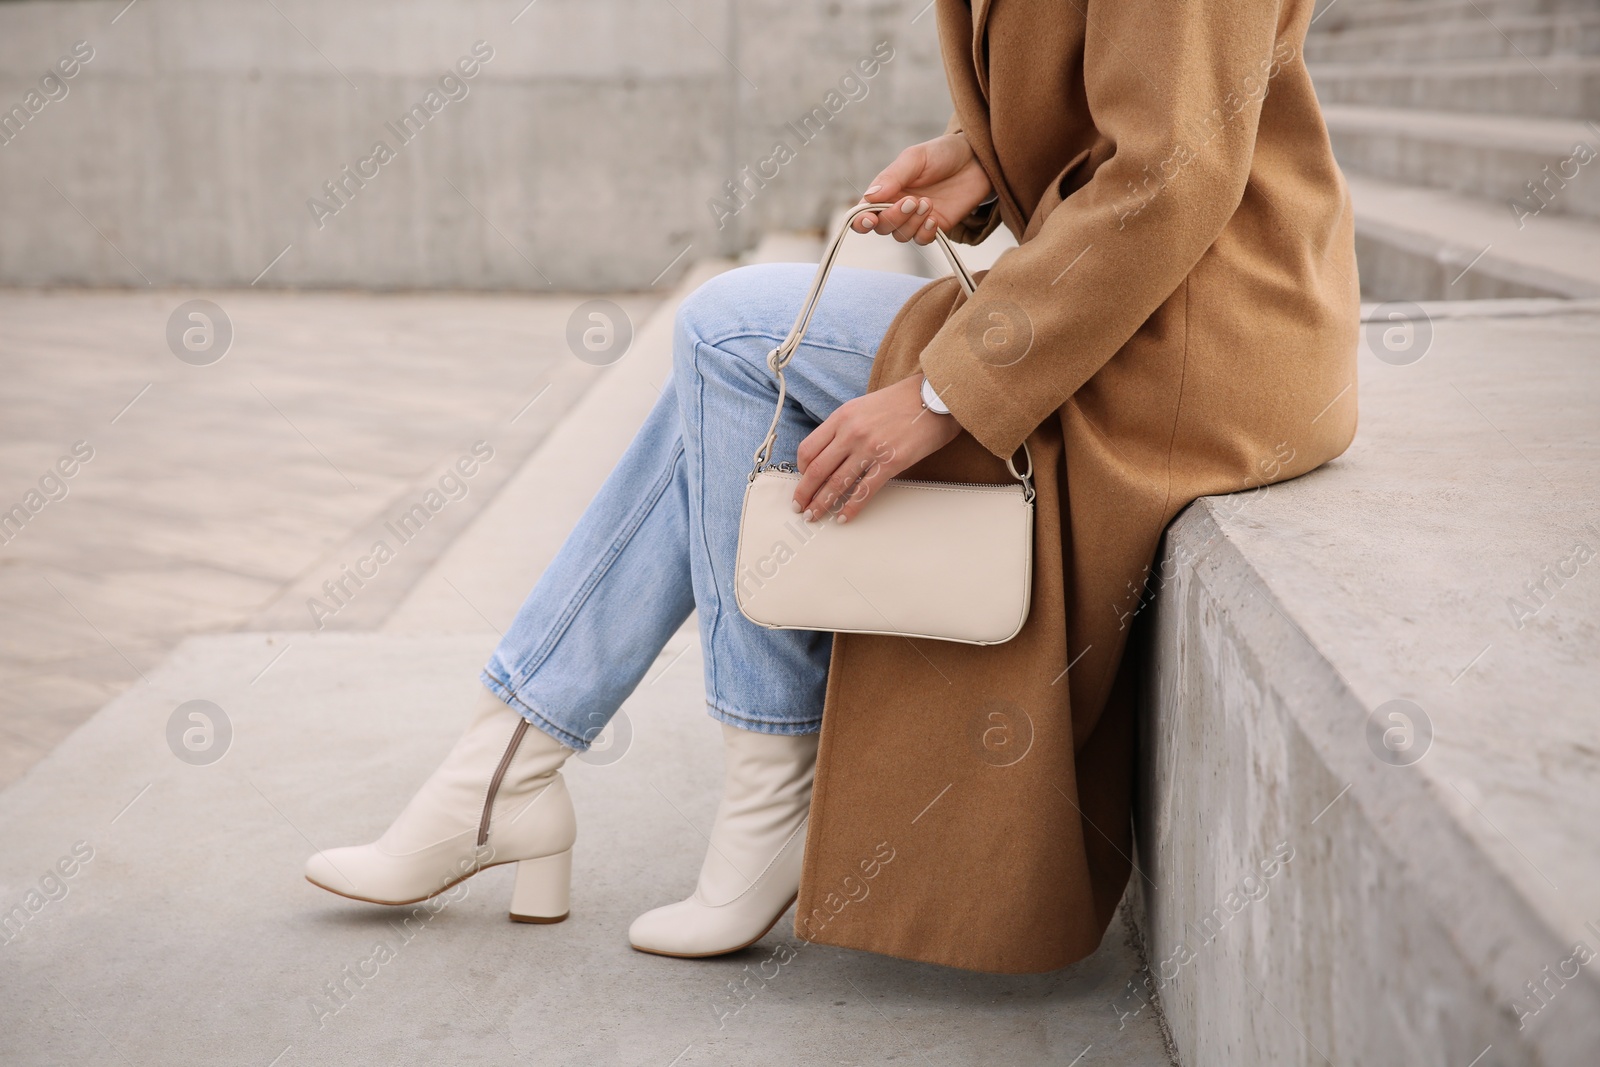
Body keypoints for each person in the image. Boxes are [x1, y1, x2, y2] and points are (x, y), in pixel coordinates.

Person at [305, 0, 1358, 972]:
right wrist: (975, 164)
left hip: (1202, 339)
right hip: (1142, 304)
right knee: (723, 363)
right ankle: (515, 774)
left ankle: (630, 780)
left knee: (731, 336)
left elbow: (1173, 166)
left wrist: (945, 391)